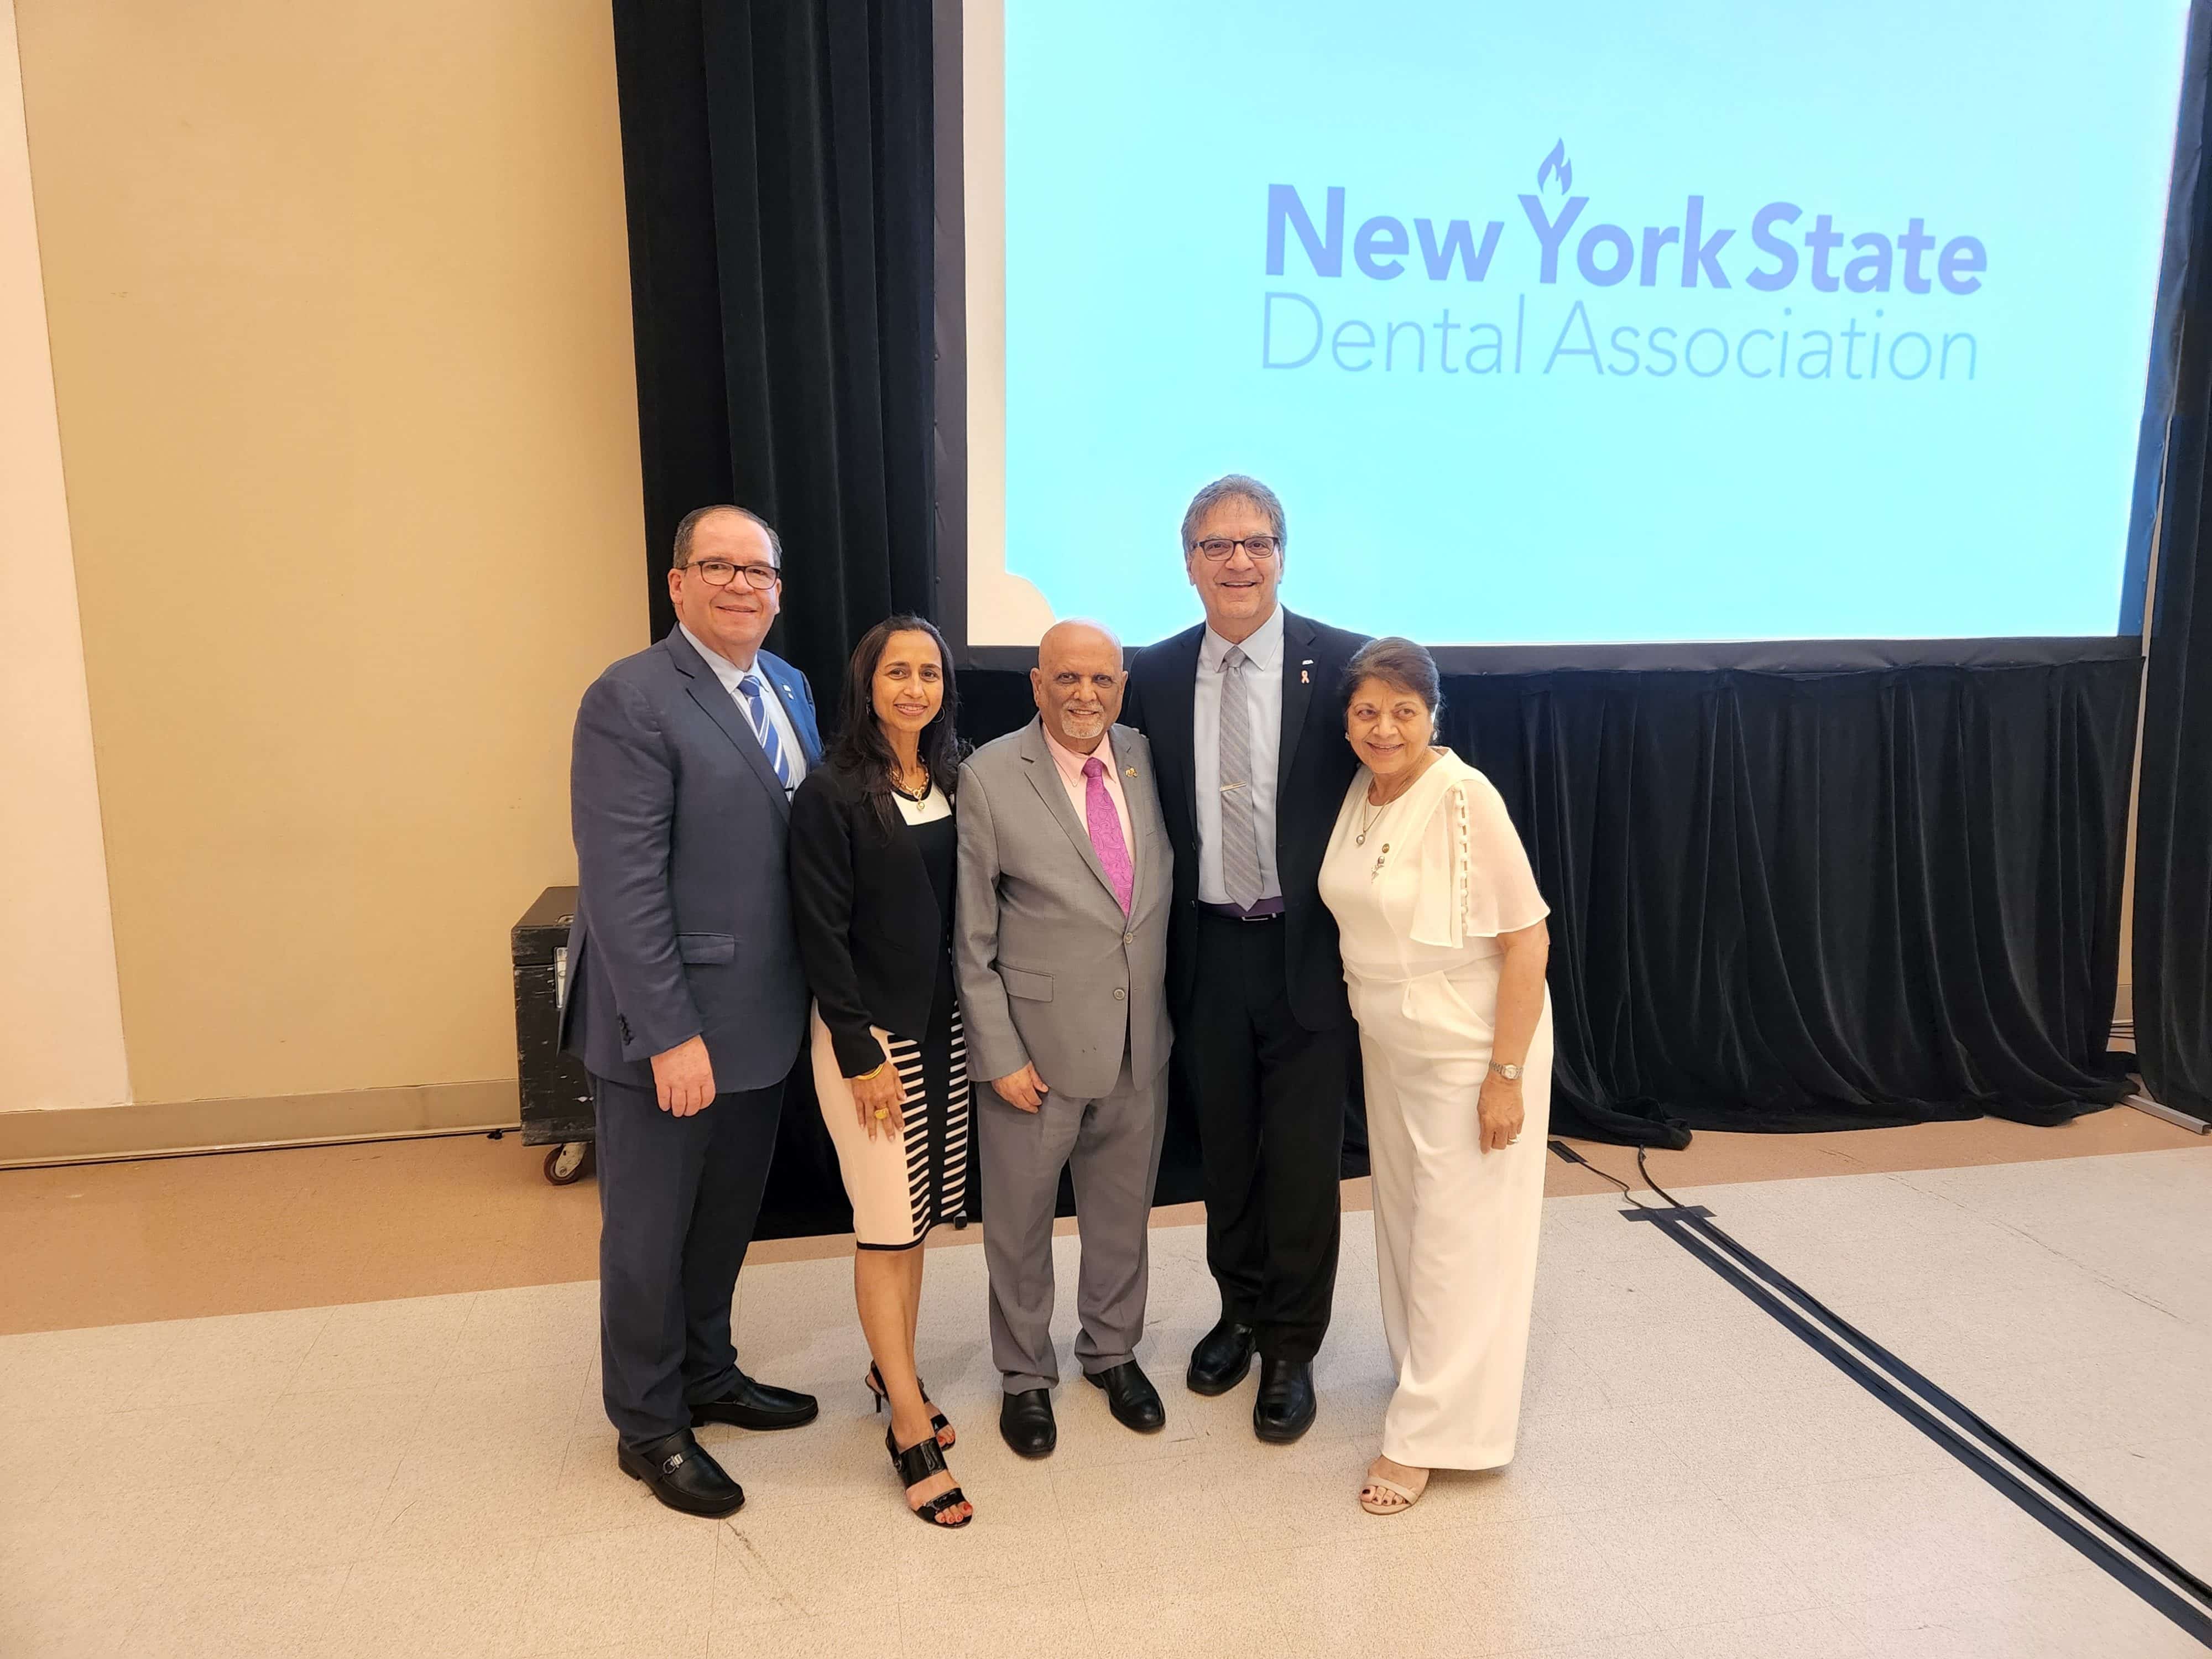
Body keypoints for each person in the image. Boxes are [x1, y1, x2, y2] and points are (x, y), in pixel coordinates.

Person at [561, 503, 822, 1519]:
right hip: (668, 1030)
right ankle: (648, 1423)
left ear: (778, 591)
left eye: (758, 571)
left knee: (721, 1222)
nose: (740, 585)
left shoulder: (788, 685)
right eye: (718, 567)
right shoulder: (630, 699)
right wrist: (669, 1035)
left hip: (760, 1020)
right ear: (677, 584)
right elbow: (621, 887)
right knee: (648, 1237)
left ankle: (708, 1373)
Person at [1120, 475, 1368, 1443]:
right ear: (1188, 563)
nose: (1238, 562)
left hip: (1309, 955)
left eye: (1257, 543)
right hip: (1206, 952)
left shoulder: (1342, 665)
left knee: (1303, 1162)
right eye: (1217, 546)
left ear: (1282, 557)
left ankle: (1293, 1346)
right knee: (1226, 1153)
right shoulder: (1152, 672)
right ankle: (1240, 1311)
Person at [1314, 638, 1553, 1515]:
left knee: (1459, 1239)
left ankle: (1428, 1440)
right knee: (1410, 1224)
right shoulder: (1363, 792)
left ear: (1433, 715)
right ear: (1347, 722)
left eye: (1403, 712)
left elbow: (1528, 941)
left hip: (1468, 1046)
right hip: (1391, 1043)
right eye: (1368, 712)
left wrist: (1505, 1075)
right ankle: (1430, 1379)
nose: (1385, 729)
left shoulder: (1463, 795)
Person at [954, 619, 1175, 1458]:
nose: (1087, 695)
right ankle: (1023, 1374)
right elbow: (971, 941)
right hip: (1033, 1057)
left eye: (1103, 680)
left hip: (1137, 1044)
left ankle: (1112, 1352)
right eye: (1068, 678)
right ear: (1037, 684)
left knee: (1122, 1216)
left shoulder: (1146, 758)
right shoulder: (988, 776)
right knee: (1019, 1228)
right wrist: (1000, 1055)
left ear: (1122, 686)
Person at [788, 615, 974, 1528]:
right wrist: (858, 1050)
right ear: (867, 683)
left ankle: (889, 1366)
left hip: (946, 1029)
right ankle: (906, 1420)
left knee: (918, 1218)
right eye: (897, 672)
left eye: (929, 673)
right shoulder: (831, 791)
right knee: (886, 1225)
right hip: (870, 1038)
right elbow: (819, 931)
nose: (914, 688)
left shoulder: (953, 778)